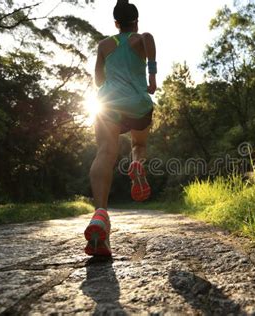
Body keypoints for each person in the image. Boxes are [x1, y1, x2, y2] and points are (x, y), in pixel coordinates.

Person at [84, 0, 157, 256]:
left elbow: (98, 80)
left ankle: (100, 215)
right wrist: (152, 77)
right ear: (136, 20)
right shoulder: (142, 38)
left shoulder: (104, 45)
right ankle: (137, 165)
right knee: (138, 144)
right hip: (138, 104)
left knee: (105, 152)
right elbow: (149, 45)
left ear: (116, 23)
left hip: (109, 104)